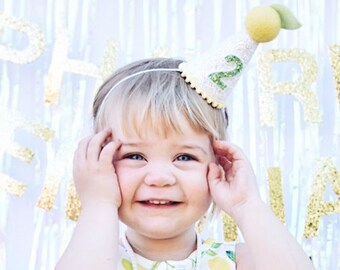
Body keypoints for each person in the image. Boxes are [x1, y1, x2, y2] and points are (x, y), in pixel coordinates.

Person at [55, 57, 316, 270]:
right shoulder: (92, 257)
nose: (159, 177)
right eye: (134, 156)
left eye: (184, 157)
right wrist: (98, 204)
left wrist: (247, 205)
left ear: (218, 164)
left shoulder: (240, 261)